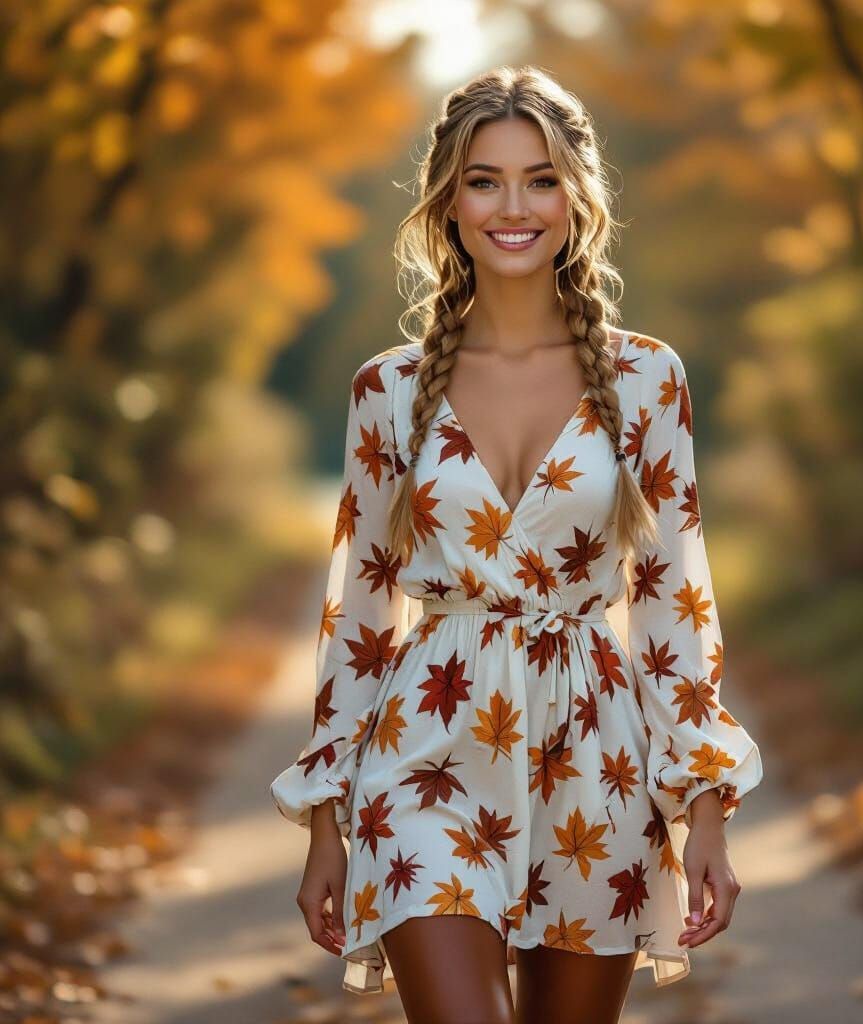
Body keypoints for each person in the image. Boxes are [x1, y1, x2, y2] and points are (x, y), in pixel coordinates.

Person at [270, 64, 764, 1024]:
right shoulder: (388, 390)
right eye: (485, 179)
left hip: (596, 759)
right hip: (427, 751)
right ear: (447, 201)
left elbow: (673, 600)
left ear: (577, 201)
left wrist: (704, 806)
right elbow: (360, 615)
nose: (513, 205)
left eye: (539, 178)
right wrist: (326, 821)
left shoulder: (648, 378)